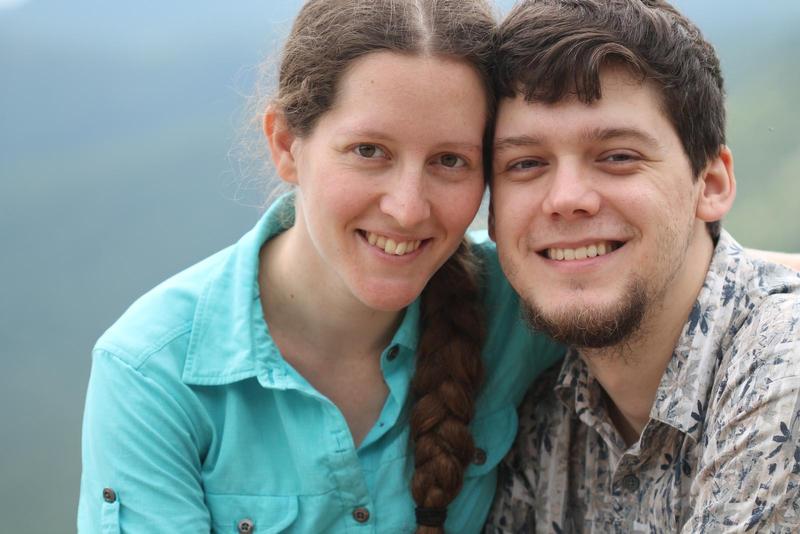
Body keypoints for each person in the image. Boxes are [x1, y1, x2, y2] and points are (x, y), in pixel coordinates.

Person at [77, 1, 566, 532]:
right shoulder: (154, 373)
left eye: (450, 161)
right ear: (286, 145)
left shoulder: (526, 304)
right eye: (368, 150)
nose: (407, 208)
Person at [484, 0, 800, 532]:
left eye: (618, 156)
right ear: (491, 214)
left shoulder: (784, 372)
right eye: (525, 164)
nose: (566, 199)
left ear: (712, 183)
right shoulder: (545, 416)